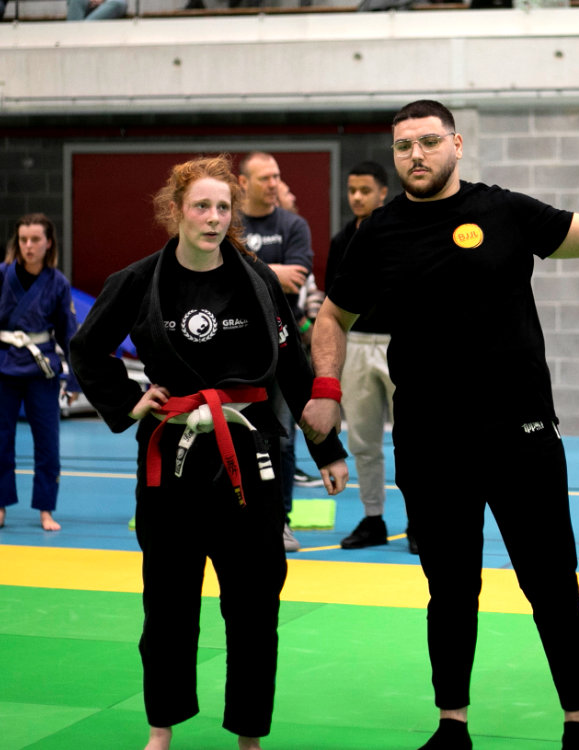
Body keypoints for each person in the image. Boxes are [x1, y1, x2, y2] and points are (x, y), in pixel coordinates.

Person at [301, 99, 579, 750]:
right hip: (429, 438)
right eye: (403, 146)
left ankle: (578, 722)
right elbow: (332, 315)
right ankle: (452, 724)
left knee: (550, 581)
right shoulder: (379, 232)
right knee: (449, 588)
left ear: (457, 144)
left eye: (428, 142)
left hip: (520, 430)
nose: (415, 155)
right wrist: (327, 387)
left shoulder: (504, 210)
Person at [69, 155, 349, 750]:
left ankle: (249, 733)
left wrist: (328, 448)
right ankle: (161, 728)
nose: (214, 217)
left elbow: (293, 368)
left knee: (254, 604)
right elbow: (87, 349)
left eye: (223, 207)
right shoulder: (138, 280)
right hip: (170, 458)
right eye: (201, 205)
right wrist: (129, 399)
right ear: (176, 210)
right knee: (168, 602)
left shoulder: (257, 281)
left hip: (248, 454)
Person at [324, 160, 414, 552]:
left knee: (413, 440)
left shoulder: (402, 231)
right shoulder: (342, 240)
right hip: (357, 343)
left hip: (401, 342)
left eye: (365, 190)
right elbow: (332, 302)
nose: (357, 197)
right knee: (362, 440)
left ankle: (419, 520)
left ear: (382, 192)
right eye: (352, 191)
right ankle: (373, 516)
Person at [238, 152, 315, 550]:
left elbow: (295, 280)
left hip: (283, 348)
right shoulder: (230, 224)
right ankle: (240, 516)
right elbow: (222, 276)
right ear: (243, 182)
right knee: (240, 434)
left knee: (282, 439)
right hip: (237, 351)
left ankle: (280, 520)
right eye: (264, 177)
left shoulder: (293, 225)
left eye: (276, 176)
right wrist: (272, 271)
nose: (273, 184)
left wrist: (249, 268)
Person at [0, 213, 80, 531]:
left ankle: (46, 509)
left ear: (49, 243)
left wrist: (74, 380)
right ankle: (1, 506)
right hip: (4, 368)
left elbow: (69, 334)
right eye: (23, 240)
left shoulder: (58, 283)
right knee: (1, 440)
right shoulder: (2, 275)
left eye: (35, 240)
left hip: (41, 371)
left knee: (47, 443)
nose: (28, 246)